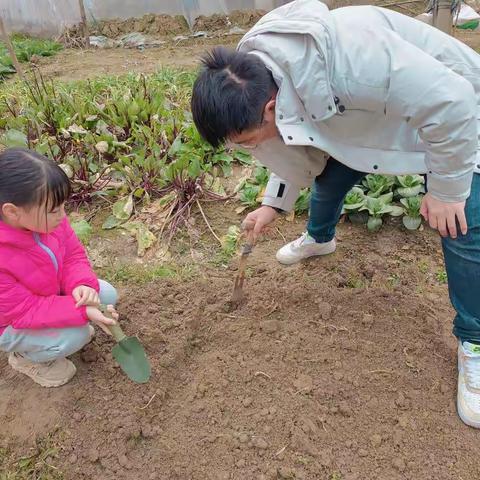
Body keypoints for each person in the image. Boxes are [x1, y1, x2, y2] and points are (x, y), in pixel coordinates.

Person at [191, 0, 480, 427]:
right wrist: (273, 205)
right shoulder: (254, 76)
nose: (248, 149)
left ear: (271, 107)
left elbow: (452, 103)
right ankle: (320, 238)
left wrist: (445, 189)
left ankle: (474, 343)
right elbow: (289, 149)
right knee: (329, 181)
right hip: (361, 124)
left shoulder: (351, 61)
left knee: (463, 221)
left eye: (245, 141)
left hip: (453, 117)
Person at [0, 148, 118, 387]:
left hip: (47, 293)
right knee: (77, 335)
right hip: (12, 321)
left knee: (106, 294)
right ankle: (26, 357)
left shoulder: (48, 221)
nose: (63, 215)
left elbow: (72, 256)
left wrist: (81, 285)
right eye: (54, 210)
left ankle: (63, 323)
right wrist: (82, 313)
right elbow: (25, 310)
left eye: (63, 206)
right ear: (12, 211)